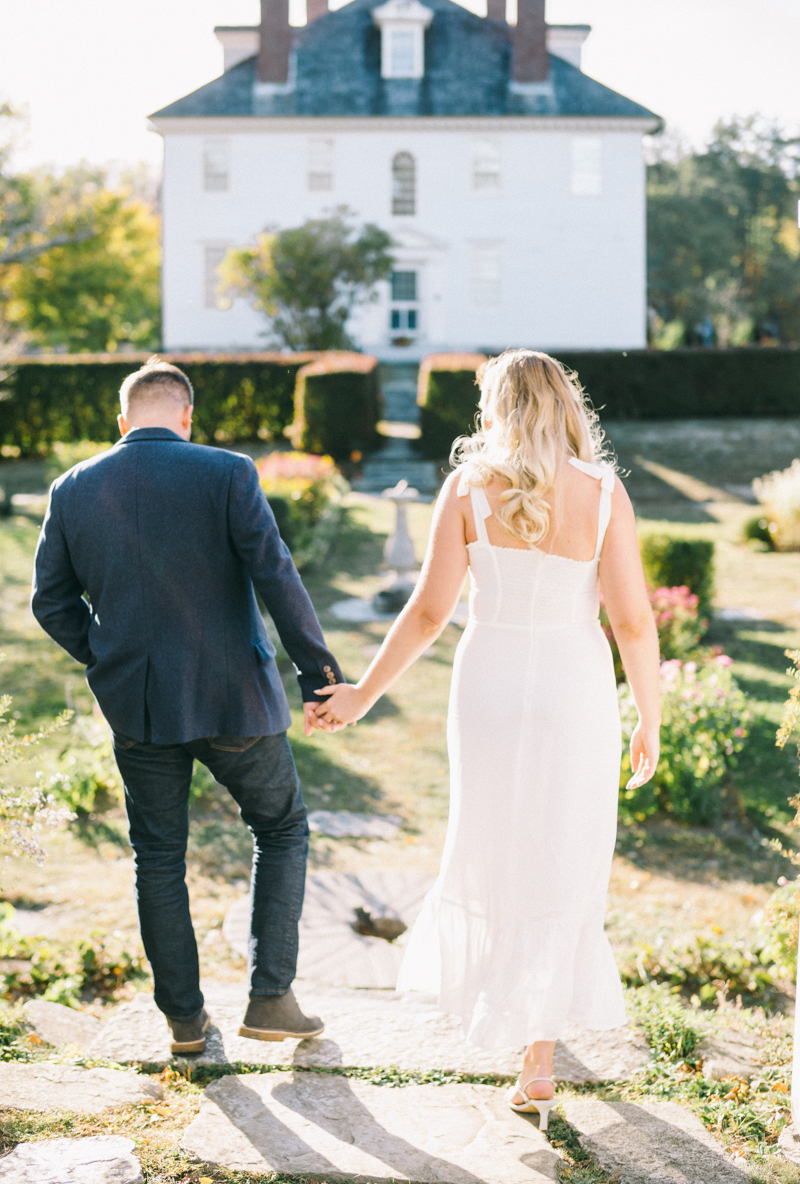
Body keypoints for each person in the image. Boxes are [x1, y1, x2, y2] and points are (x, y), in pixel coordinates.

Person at [313, 350, 660, 1123]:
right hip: (575, 687)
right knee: (563, 852)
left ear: (496, 409)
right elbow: (632, 620)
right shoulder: (603, 493)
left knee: (496, 845)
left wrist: (366, 693)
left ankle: (509, 1022)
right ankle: (539, 1059)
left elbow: (431, 613)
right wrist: (650, 716)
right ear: (566, 405)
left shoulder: (468, 487)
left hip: (491, 684)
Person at [31, 358, 344, 1055]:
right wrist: (319, 677)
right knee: (282, 827)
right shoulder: (227, 471)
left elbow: (48, 601)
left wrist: (107, 659)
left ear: (123, 422)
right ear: (186, 417)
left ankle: (183, 1023)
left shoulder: (73, 488)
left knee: (158, 857)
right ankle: (271, 998)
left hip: (139, 710)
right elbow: (275, 573)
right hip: (234, 698)